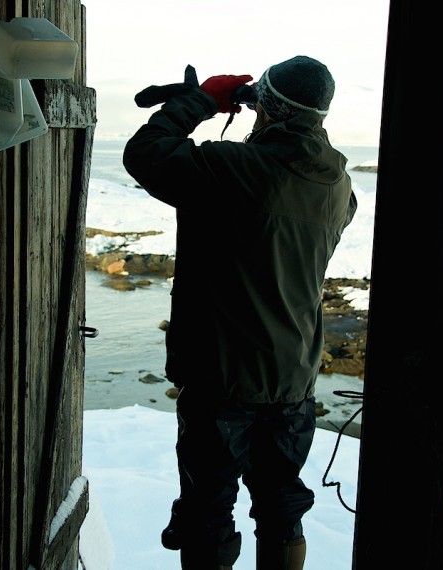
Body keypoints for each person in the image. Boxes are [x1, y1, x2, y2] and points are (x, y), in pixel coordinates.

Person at [122, 55, 357, 570]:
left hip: (223, 376)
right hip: (293, 377)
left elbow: (145, 154)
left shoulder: (239, 169)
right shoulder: (339, 186)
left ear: (266, 108)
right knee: (280, 509)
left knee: (208, 512)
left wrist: (202, 101)